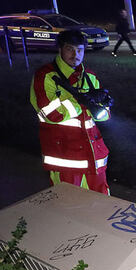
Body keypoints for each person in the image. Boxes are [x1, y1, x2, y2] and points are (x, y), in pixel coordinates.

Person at [30, 29, 112, 194]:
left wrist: (104, 103)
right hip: (65, 159)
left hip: (95, 157)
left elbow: (104, 117)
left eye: (80, 50)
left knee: (103, 206)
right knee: (70, 208)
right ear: (60, 49)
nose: (76, 55)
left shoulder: (89, 76)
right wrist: (83, 100)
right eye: (70, 49)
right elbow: (51, 114)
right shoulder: (46, 76)